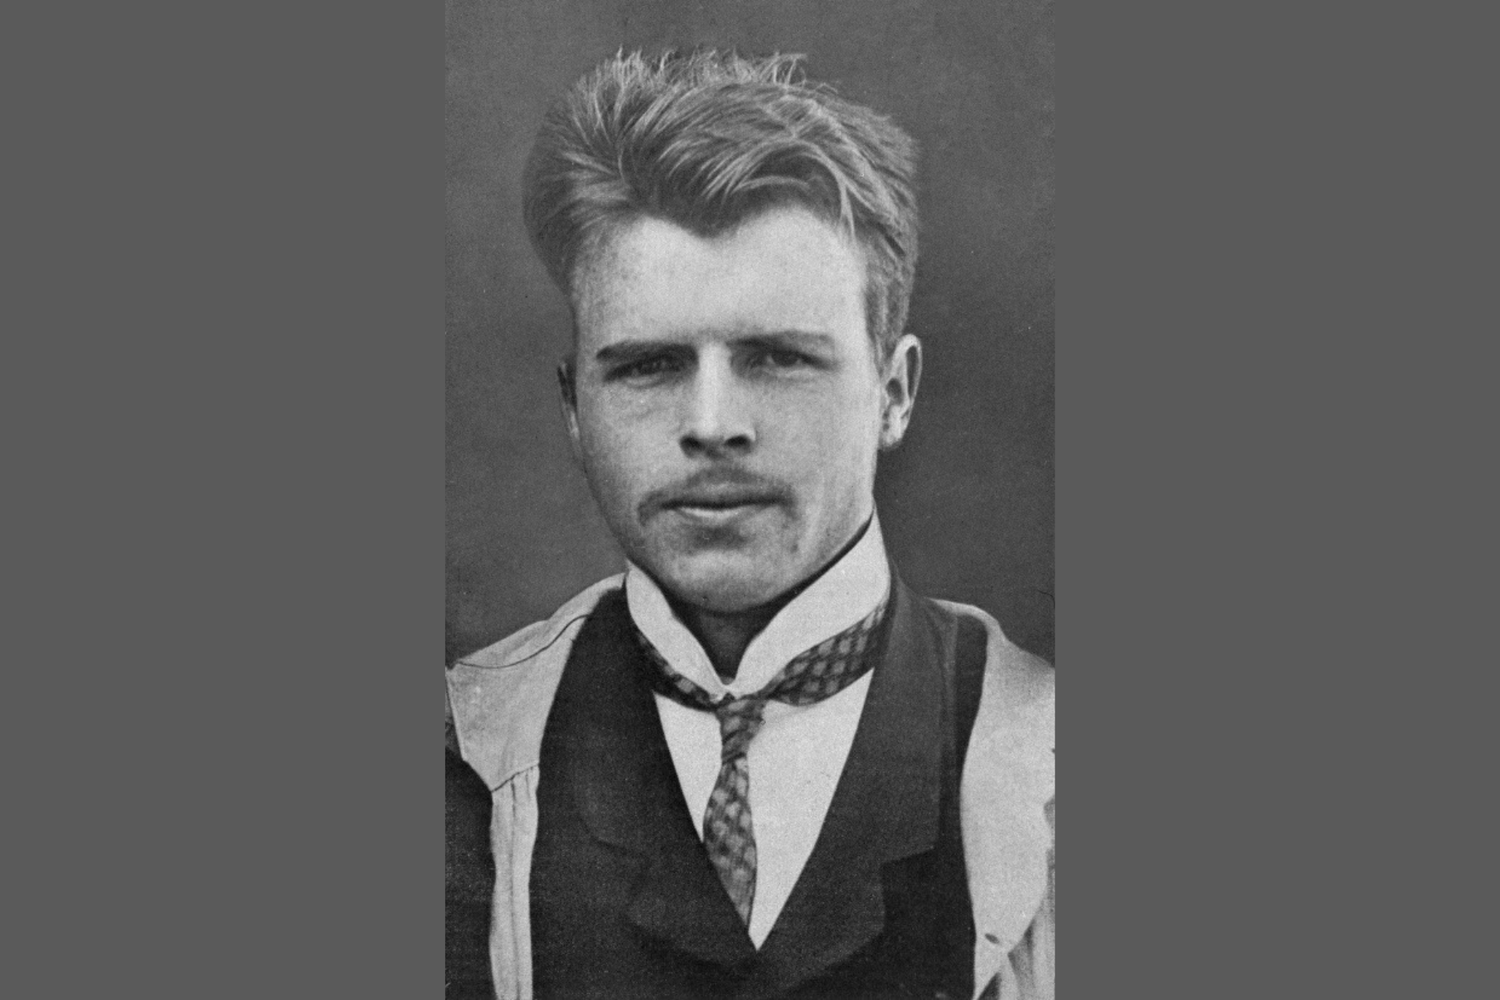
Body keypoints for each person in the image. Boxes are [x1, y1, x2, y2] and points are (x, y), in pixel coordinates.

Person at [445, 49, 1054, 1000]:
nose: (711, 423)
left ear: (894, 393)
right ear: (574, 409)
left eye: (776, 357)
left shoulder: (1046, 760)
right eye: (647, 367)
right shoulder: (460, 764)